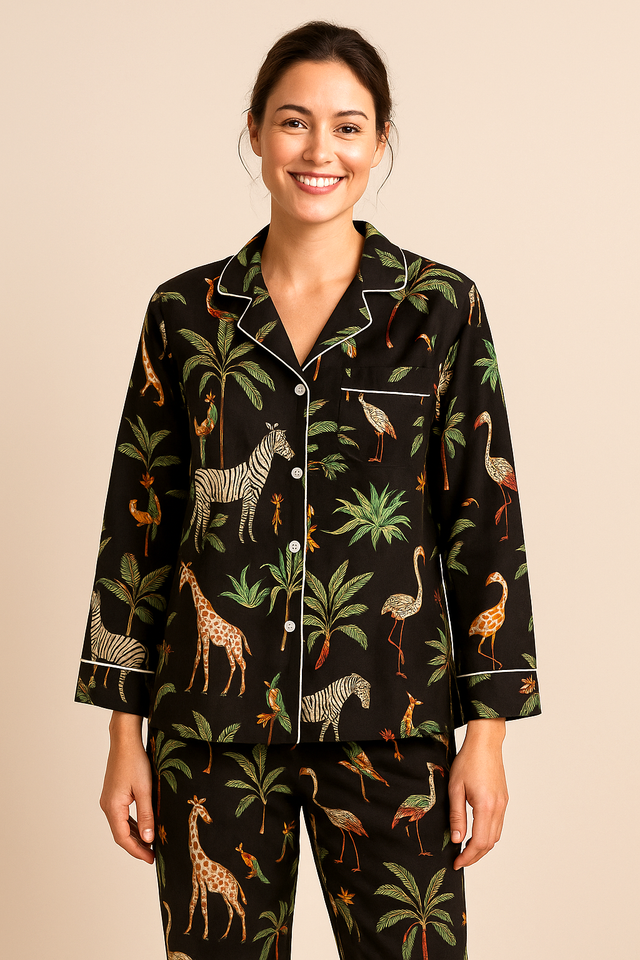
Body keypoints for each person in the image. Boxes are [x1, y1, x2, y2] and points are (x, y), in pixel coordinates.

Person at [75, 20, 541, 960]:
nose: (319, 150)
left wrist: (486, 740)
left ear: (379, 142)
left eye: (348, 126)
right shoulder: (184, 313)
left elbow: (484, 520)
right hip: (209, 733)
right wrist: (124, 735)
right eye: (293, 122)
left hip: (394, 724)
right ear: (255, 131)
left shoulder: (440, 308)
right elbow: (141, 524)